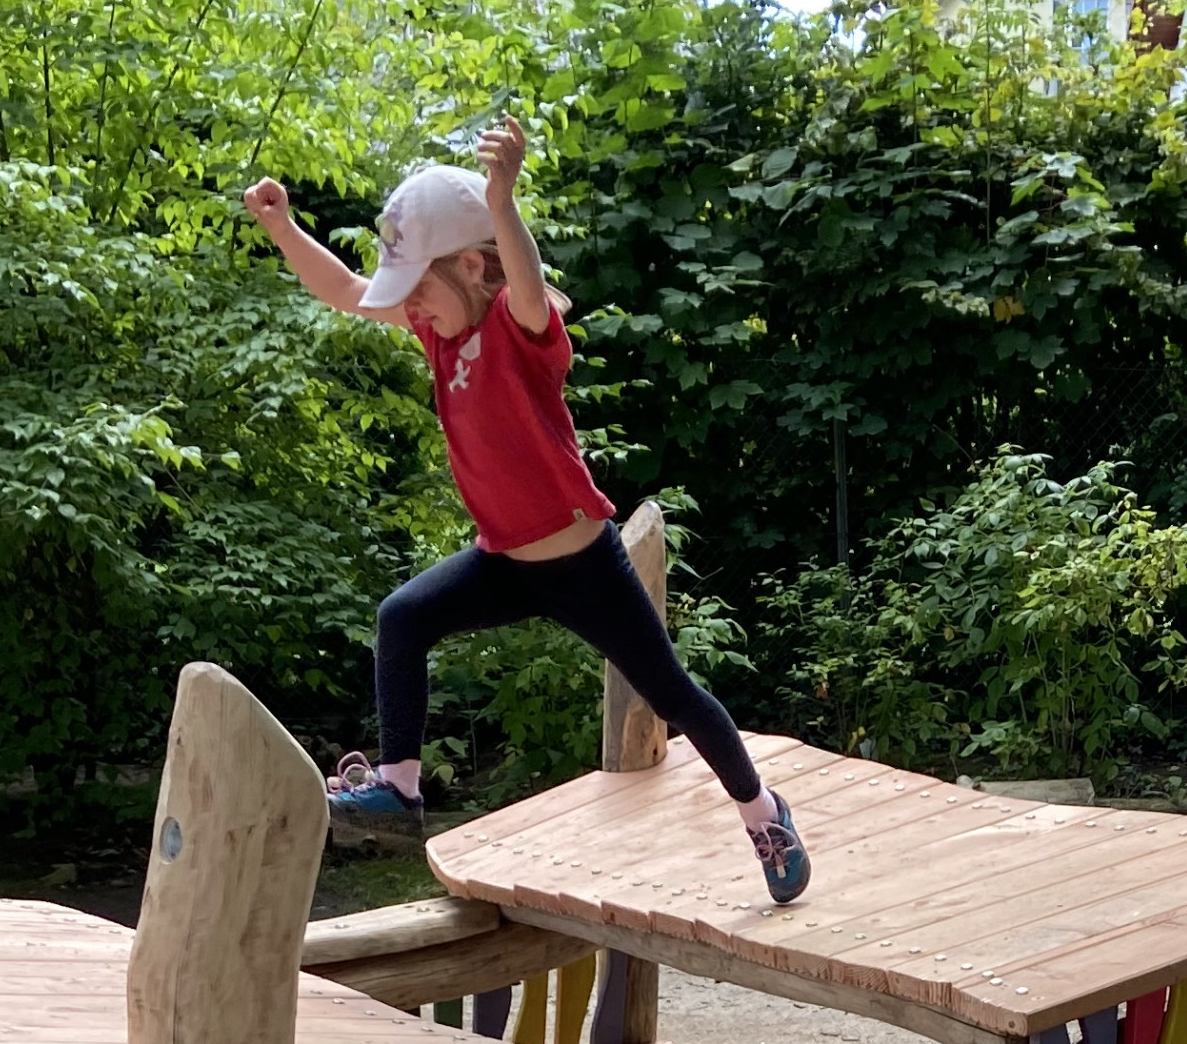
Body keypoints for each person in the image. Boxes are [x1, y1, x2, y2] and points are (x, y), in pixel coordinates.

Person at [243, 120, 808, 903]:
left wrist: (503, 202)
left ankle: (762, 811)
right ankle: (399, 784)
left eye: (422, 294)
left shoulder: (520, 330)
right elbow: (344, 291)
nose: (409, 314)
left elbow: (527, 282)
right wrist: (283, 228)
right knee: (401, 618)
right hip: (504, 561)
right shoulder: (438, 336)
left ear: (473, 268)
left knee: (674, 695)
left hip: (583, 567)